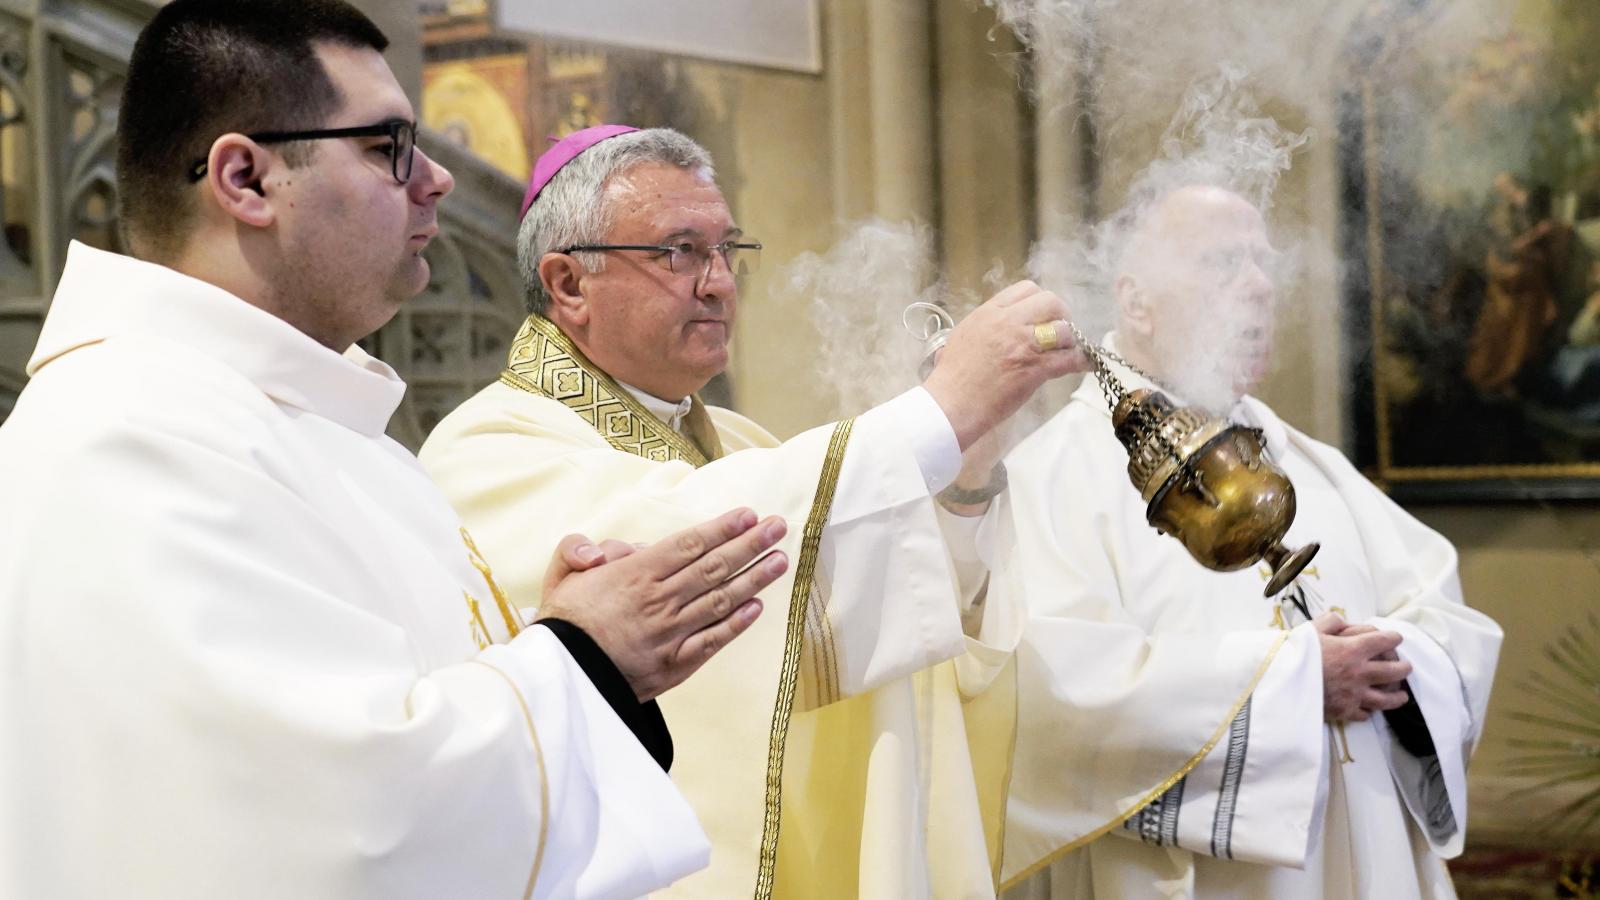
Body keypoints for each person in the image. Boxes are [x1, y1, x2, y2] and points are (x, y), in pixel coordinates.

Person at [0, 3, 794, 897]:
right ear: (246, 179)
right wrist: (587, 658)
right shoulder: (132, 440)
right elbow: (343, 826)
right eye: (389, 147)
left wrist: (547, 647)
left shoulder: (315, 427)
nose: (440, 180)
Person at [418, 124, 1087, 897]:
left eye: (725, 250)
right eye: (677, 251)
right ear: (569, 285)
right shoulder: (488, 447)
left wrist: (963, 483)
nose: (717, 283)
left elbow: (870, 623)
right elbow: (679, 540)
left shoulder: (736, 442)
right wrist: (939, 414)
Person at [992, 185, 1503, 898]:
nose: (1262, 287)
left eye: (1264, 263)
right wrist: (1292, 684)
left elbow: (1449, 621)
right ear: (1136, 302)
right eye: (1224, 263)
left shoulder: (1307, 460)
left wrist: (1389, 659)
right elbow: (1051, 701)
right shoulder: (1053, 479)